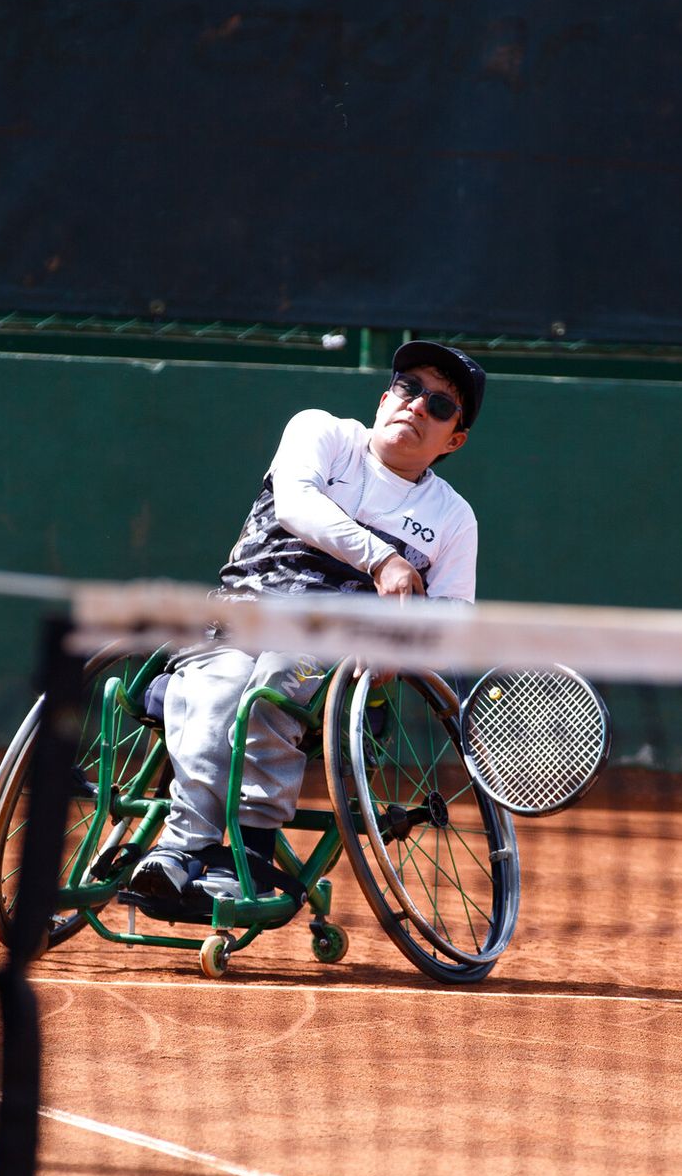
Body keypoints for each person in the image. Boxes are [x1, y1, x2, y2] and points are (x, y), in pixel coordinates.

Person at [126, 340, 486, 918]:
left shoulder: (453, 518)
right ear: (384, 397)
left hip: (331, 652)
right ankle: (180, 848)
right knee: (214, 696)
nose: (417, 407)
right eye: (408, 389)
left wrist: (402, 649)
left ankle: (250, 856)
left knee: (274, 680)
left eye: (440, 406)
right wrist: (383, 559)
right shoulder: (321, 432)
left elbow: (452, 617)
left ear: (454, 440)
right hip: (236, 620)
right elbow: (294, 504)